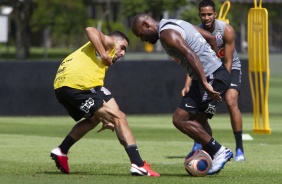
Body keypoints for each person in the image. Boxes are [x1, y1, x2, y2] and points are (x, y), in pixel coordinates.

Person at [131, 13, 233, 175]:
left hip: (209, 78)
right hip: (211, 75)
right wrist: (214, 65)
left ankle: (220, 151)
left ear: (146, 25)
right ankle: (212, 157)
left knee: (180, 119)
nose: (142, 39)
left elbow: (190, 54)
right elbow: (211, 39)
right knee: (199, 121)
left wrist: (207, 81)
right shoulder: (175, 22)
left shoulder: (166, 34)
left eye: (140, 34)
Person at [50, 27, 160, 177]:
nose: (122, 53)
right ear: (115, 41)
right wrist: (103, 53)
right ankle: (138, 164)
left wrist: (104, 116)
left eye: (125, 51)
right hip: (78, 85)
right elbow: (90, 30)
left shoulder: (96, 63)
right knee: (119, 117)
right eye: (123, 48)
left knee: (95, 119)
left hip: (62, 87)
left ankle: (61, 150)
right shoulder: (110, 43)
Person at [182, 0, 245, 162]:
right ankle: (200, 143)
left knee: (231, 101)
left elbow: (229, 61)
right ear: (199, 15)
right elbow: (193, 60)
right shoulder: (195, 32)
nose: (206, 17)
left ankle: (239, 148)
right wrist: (187, 84)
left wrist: (221, 84)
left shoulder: (226, 30)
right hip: (208, 70)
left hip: (229, 69)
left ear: (215, 14)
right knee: (199, 107)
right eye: (203, 14)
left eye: (209, 14)